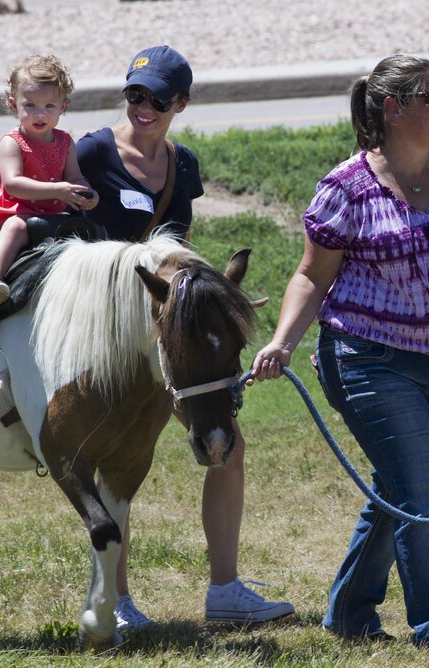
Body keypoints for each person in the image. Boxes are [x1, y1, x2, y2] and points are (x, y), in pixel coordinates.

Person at [249, 54, 429, 660]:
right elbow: (310, 277)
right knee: (419, 494)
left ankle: (349, 612)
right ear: (394, 109)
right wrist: (282, 342)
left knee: (399, 486)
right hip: (367, 361)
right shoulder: (347, 188)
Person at [76, 45, 294, 630]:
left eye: (157, 99)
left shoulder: (184, 165)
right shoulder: (93, 151)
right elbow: (65, 238)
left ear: (181, 104)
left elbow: (176, 253)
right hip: (108, 330)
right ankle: (116, 601)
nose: (143, 107)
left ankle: (225, 590)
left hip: (163, 331)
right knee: (115, 455)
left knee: (228, 447)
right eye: (134, 95)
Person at [0, 54, 99, 314]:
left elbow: (74, 175)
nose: (40, 114)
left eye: (49, 106)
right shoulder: (13, 141)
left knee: (88, 232)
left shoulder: (65, 142)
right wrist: (58, 190)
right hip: (14, 212)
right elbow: (13, 184)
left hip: (52, 214)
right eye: (30, 105)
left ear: (64, 106)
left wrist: (84, 190)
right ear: (13, 104)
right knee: (16, 228)